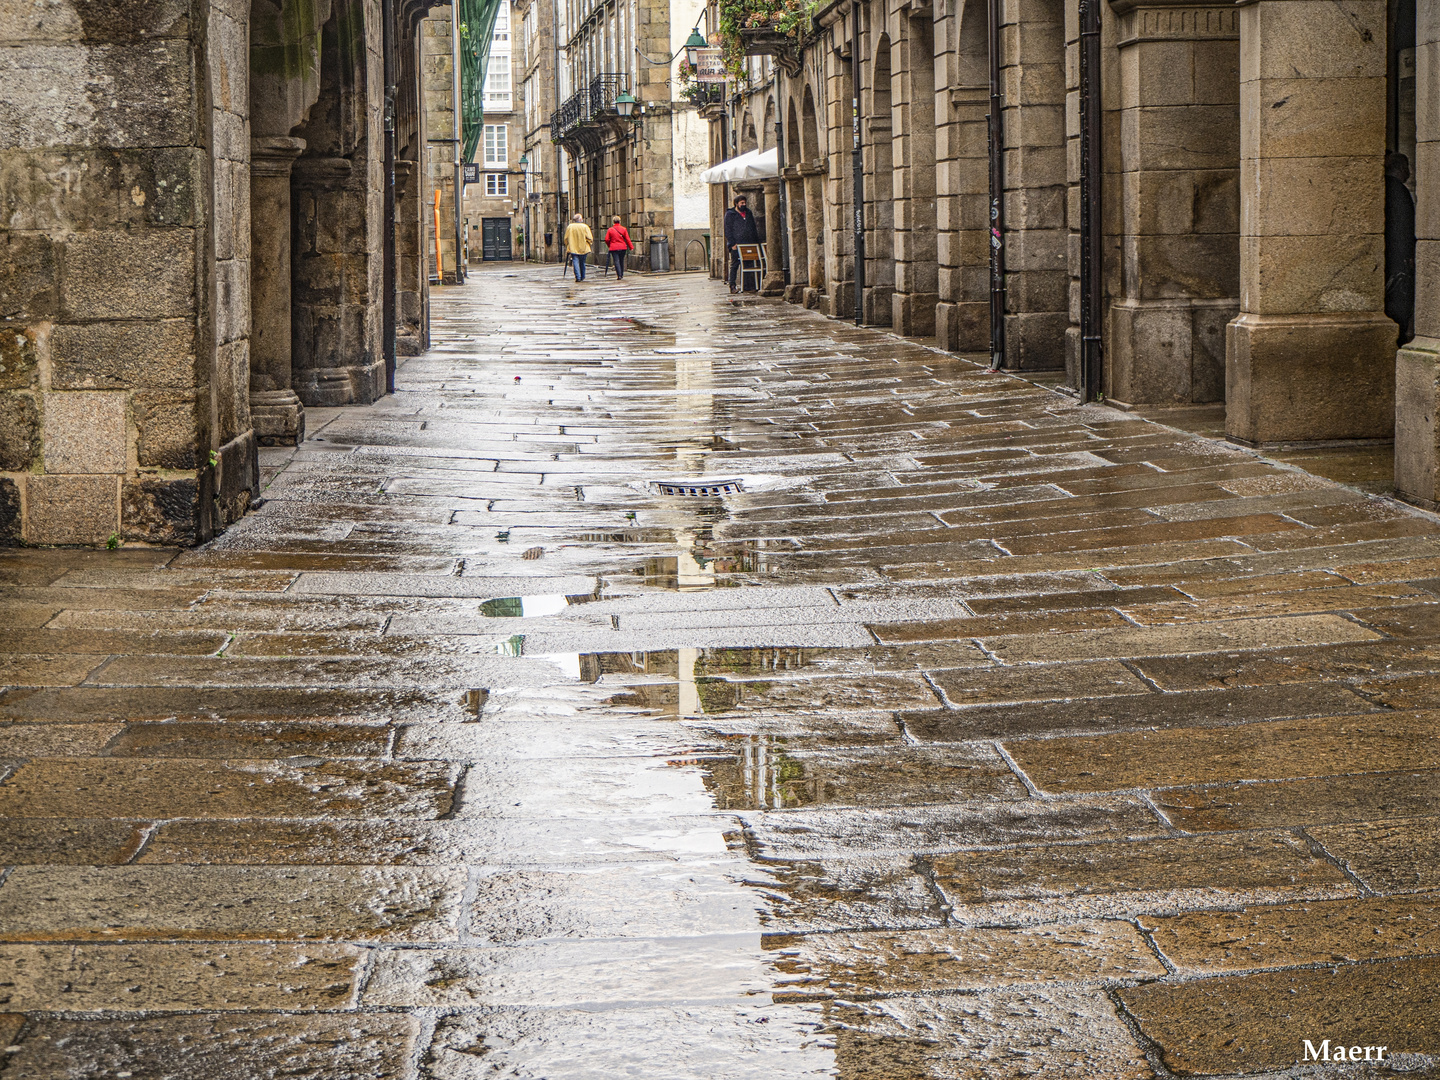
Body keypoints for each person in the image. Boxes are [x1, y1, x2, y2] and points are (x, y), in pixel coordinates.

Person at [1385, 151, 1416, 344]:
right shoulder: (1398, 191)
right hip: (1398, 257)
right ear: (1402, 168)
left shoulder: (1386, 187)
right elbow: (1404, 227)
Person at [723, 193, 760, 293]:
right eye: (741, 203)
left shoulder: (748, 213)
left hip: (748, 243)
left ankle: (748, 285)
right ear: (736, 204)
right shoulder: (730, 214)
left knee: (748, 264)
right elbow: (728, 230)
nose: (744, 205)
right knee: (735, 264)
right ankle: (732, 285)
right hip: (736, 244)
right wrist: (732, 243)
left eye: (745, 203)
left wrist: (756, 242)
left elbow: (753, 227)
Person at [563, 213, 593, 281]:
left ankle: (578, 277)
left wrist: (568, 245)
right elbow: (590, 238)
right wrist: (588, 243)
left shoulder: (570, 227)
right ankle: (582, 276)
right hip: (583, 248)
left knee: (575, 262)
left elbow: (566, 238)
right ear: (580, 219)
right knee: (582, 262)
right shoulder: (585, 227)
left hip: (573, 248)